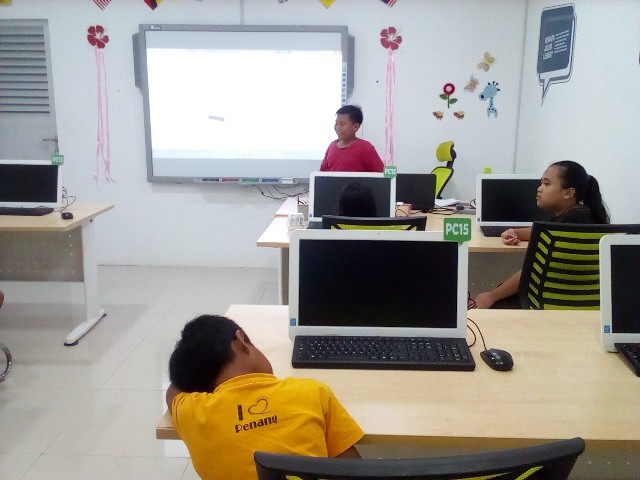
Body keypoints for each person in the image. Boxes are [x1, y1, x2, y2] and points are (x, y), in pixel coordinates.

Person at [167, 314, 364, 480]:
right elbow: (353, 470)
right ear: (241, 342)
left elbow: (173, 391)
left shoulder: (192, 413)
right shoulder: (312, 392)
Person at [474, 161, 609, 309]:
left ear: (568, 193)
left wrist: (492, 296)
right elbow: (542, 231)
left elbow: (531, 272)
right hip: (589, 306)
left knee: (493, 298)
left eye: (546, 184)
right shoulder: (587, 217)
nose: (539, 188)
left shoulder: (563, 226)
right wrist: (515, 232)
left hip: (547, 304)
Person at [320, 105, 384, 172]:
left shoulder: (366, 148)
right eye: (336, 123)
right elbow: (322, 172)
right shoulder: (331, 146)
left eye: (342, 124)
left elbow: (381, 173)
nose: (337, 128)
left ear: (356, 126)